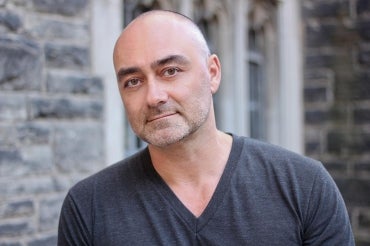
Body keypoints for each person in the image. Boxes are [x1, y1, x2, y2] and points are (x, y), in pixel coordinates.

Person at [58, 10, 354, 245]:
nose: (154, 96)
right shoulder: (89, 207)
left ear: (212, 73)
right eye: (133, 81)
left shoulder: (304, 186)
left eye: (170, 71)